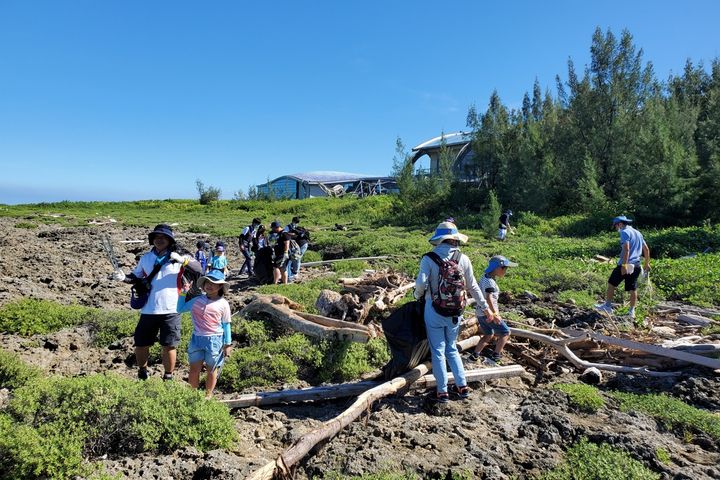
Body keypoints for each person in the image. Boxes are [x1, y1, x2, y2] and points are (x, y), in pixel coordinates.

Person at [414, 221, 494, 403]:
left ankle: (442, 392)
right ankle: (462, 386)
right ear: (455, 239)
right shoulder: (463, 259)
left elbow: (420, 284)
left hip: (433, 310)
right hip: (455, 312)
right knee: (451, 348)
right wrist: (485, 308)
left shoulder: (429, 258)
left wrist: (417, 295)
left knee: (438, 350)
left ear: (439, 239)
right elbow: (473, 286)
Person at [115, 224, 203, 381]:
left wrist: (183, 261)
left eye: (163, 237)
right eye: (156, 237)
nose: (159, 240)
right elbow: (136, 277)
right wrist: (124, 278)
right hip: (148, 309)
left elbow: (199, 269)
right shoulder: (146, 258)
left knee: (169, 345)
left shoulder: (180, 255)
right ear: (152, 240)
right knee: (141, 343)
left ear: (170, 240)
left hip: (172, 309)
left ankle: (168, 376)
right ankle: (142, 372)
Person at [177, 270, 233, 398]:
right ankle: (193, 395)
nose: (209, 285)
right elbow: (179, 309)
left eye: (214, 283)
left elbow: (226, 324)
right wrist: (184, 292)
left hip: (215, 340)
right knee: (194, 370)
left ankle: (208, 395)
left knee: (212, 370)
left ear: (220, 286)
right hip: (196, 339)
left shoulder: (223, 304)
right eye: (207, 282)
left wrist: (227, 344)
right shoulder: (196, 300)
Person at [595, 215, 651, 319]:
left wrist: (624, 265)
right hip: (637, 264)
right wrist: (646, 263)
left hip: (626, 264)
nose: (616, 228)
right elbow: (646, 249)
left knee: (611, 283)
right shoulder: (638, 233)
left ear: (620, 224)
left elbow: (627, 249)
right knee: (633, 288)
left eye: (616, 226)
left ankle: (607, 306)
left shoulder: (624, 232)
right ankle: (631, 312)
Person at [469, 255, 518, 364]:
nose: (505, 271)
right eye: (504, 268)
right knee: (505, 333)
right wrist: (495, 314)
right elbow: (489, 298)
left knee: (488, 335)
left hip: (480, 313)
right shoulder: (490, 282)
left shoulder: (485, 277)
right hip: (488, 314)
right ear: (497, 268)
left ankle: (474, 355)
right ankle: (495, 356)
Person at [284, 216, 310, 282]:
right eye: (295, 222)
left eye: (297, 223)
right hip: (296, 246)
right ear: (292, 221)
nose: (296, 223)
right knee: (294, 258)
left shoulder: (298, 229)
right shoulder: (288, 227)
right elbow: (285, 234)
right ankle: (293, 272)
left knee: (297, 258)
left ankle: (295, 273)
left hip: (302, 245)